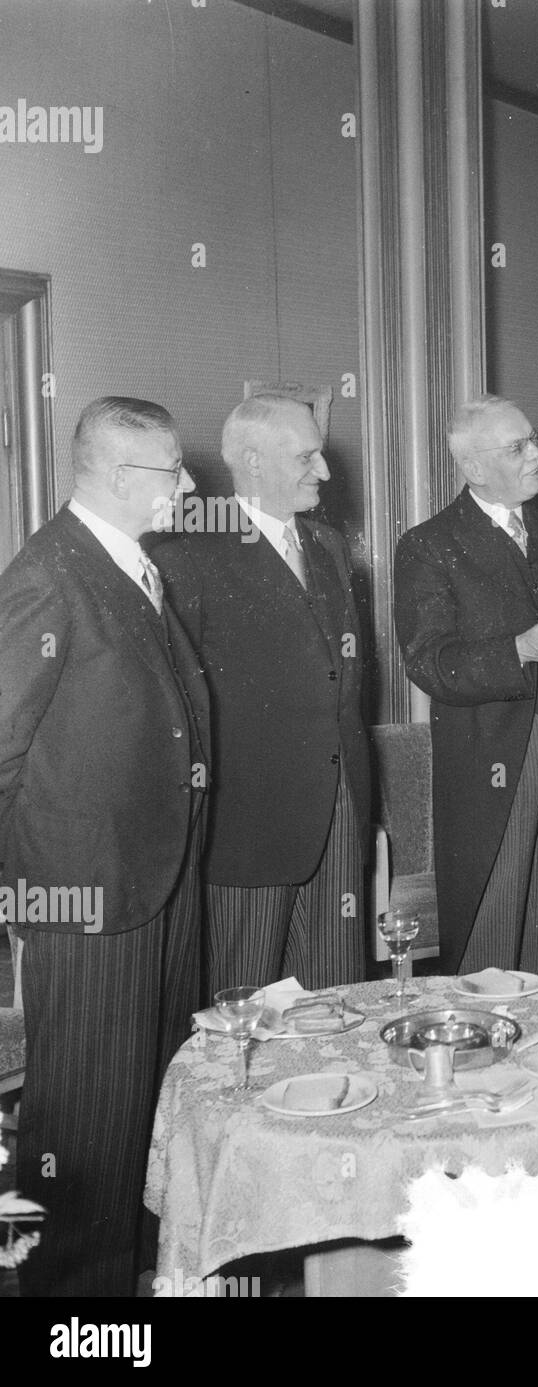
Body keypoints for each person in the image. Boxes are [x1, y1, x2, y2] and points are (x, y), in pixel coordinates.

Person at [0, 397, 208, 1296]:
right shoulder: (48, 573)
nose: (191, 485)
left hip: (157, 889)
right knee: (81, 1145)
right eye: (174, 470)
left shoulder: (133, 566)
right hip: (84, 901)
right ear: (123, 477)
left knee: (140, 1123)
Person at [393, 395, 538, 978]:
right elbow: (428, 663)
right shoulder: (429, 545)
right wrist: (516, 650)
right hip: (496, 750)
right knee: (493, 912)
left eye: (533, 440)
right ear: (473, 467)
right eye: (517, 446)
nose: (535, 454)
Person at [155, 396, 370, 995]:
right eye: (306, 456)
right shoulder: (184, 552)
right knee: (243, 1006)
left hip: (340, 806)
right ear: (251, 461)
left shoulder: (327, 545)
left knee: (336, 1002)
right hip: (246, 824)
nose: (324, 472)